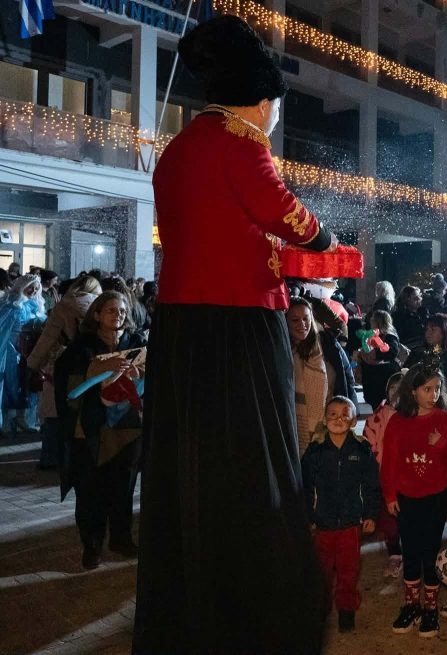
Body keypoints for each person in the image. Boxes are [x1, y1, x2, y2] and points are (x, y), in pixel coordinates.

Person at [134, 16, 336, 654]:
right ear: (262, 101)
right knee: (254, 465)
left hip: (182, 328)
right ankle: (258, 597)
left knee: (192, 467)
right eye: (274, 105)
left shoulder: (178, 147)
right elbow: (289, 216)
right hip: (239, 325)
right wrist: (328, 242)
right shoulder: (241, 143)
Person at [54, 291, 145, 570]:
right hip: (91, 429)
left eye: (121, 311)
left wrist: (138, 374)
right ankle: (91, 546)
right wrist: (98, 369)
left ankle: (121, 538)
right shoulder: (81, 348)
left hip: (127, 428)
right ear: (96, 314)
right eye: (110, 311)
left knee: (123, 487)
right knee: (90, 489)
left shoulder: (137, 343)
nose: (117, 316)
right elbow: (69, 387)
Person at [381, 363, 447, 638]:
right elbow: (389, 462)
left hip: (436, 497)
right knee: (410, 550)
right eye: (428, 389)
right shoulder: (397, 421)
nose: (434, 394)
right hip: (407, 498)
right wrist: (390, 495)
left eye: (438, 389)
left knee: (430, 551)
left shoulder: (444, 421)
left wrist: (441, 444)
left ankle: (430, 610)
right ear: (412, 391)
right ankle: (411, 605)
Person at [301, 396, 380, 633]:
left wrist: (370, 515)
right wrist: (308, 517)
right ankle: (321, 611)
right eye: (333, 414)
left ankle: (346, 610)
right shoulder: (315, 451)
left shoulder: (362, 449)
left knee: (349, 569)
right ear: (325, 420)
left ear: (354, 419)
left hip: (350, 523)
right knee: (322, 570)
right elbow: (305, 487)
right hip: (322, 523)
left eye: (345, 414)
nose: (339, 418)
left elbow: (371, 486)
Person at [28, 275, 101, 469]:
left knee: (53, 410)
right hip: (92, 364)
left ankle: (51, 459)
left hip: (63, 363)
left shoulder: (64, 306)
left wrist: (32, 364)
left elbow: (47, 339)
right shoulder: (101, 305)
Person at [288, 297, 354, 454]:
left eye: (306, 318)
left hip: (327, 425)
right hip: (294, 428)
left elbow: (343, 377)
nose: (302, 324)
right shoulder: (283, 352)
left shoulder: (326, 344)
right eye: (295, 320)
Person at [362, 371, 405, 579]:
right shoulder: (377, 416)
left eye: (402, 389)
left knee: (408, 518)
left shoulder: (412, 417)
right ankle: (395, 553)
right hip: (385, 476)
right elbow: (369, 444)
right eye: (393, 388)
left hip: (407, 478)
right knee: (389, 520)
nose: (397, 393)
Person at [0, 274, 46, 433]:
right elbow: (4, 329)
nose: (33, 291)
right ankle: (6, 421)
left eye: (36, 288)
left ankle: (23, 418)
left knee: (27, 385)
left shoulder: (36, 305)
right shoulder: (11, 305)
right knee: (10, 383)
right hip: (12, 350)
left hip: (29, 350)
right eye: (30, 287)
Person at [357, 309, 401, 410]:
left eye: (373, 319)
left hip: (383, 376)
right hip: (371, 375)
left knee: (384, 404)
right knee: (374, 403)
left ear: (378, 321)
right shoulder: (370, 335)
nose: (371, 320)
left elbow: (392, 351)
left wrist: (375, 354)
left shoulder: (389, 336)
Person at [393, 285, 427, 350]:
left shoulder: (422, 312)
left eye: (419, 297)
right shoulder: (399, 316)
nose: (419, 300)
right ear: (407, 300)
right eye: (415, 298)